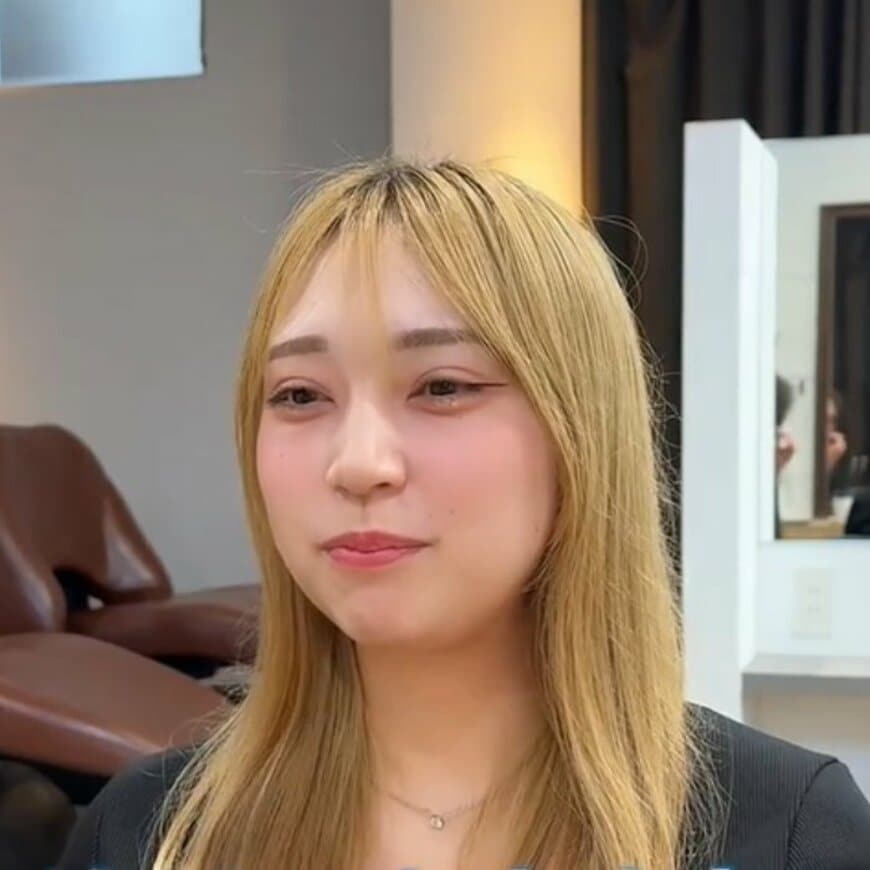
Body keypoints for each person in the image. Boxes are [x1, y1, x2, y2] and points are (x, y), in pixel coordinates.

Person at [59, 159, 870, 869]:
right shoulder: (150, 834)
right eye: (300, 396)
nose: (359, 463)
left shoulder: (786, 833)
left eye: (442, 386)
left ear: (580, 432)